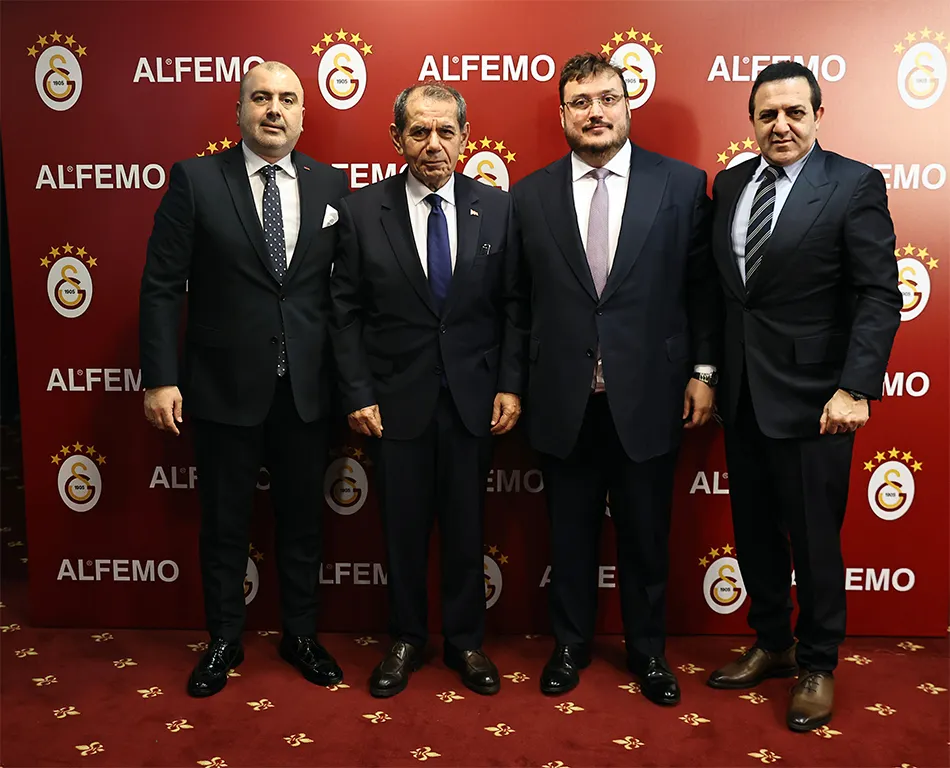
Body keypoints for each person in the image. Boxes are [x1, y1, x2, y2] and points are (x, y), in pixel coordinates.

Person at [510, 53, 720, 706]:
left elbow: (703, 289)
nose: (595, 112)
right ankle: (569, 646)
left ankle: (648, 651)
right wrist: (512, 382)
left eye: (607, 98)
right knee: (567, 534)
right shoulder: (529, 194)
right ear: (563, 115)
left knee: (646, 536)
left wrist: (704, 370)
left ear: (628, 105)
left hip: (652, 394)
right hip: (561, 397)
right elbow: (517, 301)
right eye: (581, 101)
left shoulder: (681, 184)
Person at [139, 61, 350, 698]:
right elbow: (161, 286)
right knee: (226, 523)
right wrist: (160, 378)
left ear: (304, 114)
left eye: (287, 99)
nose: (274, 110)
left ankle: (301, 635)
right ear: (239, 111)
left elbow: (340, 293)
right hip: (222, 386)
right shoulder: (196, 179)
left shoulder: (330, 183)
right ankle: (225, 638)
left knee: (303, 523)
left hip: (306, 389)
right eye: (261, 97)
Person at [705, 61, 901, 732]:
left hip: (819, 402)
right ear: (752, 121)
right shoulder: (732, 184)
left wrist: (856, 386)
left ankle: (818, 662)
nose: (781, 125)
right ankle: (772, 643)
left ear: (818, 115)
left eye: (794, 112)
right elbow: (728, 294)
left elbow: (878, 294)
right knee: (755, 533)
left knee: (815, 542)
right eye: (768, 114)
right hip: (743, 396)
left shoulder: (852, 183)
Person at [330, 83, 528, 698]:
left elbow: (515, 306)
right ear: (397, 139)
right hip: (393, 404)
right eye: (419, 131)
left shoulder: (499, 209)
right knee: (402, 530)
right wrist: (357, 391)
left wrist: (510, 385)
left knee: (467, 529)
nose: (433, 144)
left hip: (474, 403)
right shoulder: (362, 211)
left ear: (465, 138)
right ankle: (407, 638)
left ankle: (466, 641)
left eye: (446, 131)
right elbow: (344, 313)